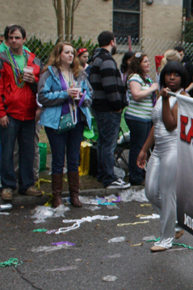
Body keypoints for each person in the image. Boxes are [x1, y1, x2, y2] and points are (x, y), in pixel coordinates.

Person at [137, 61, 189, 252]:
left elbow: (170, 125)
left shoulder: (181, 96)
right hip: (158, 150)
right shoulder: (162, 95)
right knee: (150, 191)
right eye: (169, 74)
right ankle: (175, 222)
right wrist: (144, 150)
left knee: (168, 194)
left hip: (173, 150)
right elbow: (156, 125)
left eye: (176, 74)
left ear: (183, 78)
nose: (172, 77)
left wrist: (166, 100)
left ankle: (166, 239)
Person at [37, 42, 93, 207]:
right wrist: (65, 94)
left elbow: (90, 97)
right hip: (56, 122)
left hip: (77, 120)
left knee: (74, 158)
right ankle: (57, 196)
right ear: (58, 54)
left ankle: (75, 195)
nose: (70, 55)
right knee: (58, 158)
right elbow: (42, 97)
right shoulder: (49, 73)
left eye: (72, 53)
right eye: (67, 52)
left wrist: (80, 97)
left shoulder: (80, 74)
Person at [0, 25, 43, 201]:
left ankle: (26, 185)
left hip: (29, 113)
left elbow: (42, 88)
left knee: (28, 150)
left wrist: (33, 81)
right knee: (7, 150)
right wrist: (0, 112)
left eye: (17, 37)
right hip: (9, 113)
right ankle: (7, 186)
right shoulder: (1, 59)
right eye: (11, 37)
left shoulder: (34, 61)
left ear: (24, 39)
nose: (14, 40)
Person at [88, 31, 130, 189]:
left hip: (99, 107)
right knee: (108, 144)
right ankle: (109, 178)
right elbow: (110, 86)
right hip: (108, 109)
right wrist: (117, 106)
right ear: (112, 42)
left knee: (102, 142)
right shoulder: (106, 60)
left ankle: (102, 174)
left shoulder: (95, 59)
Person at [125, 53, 158, 186]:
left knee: (144, 146)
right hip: (136, 117)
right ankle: (135, 176)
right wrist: (152, 89)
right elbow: (136, 95)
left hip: (146, 117)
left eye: (148, 61)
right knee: (137, 147)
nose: (148, 63)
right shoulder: (134, 77)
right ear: (138, 64)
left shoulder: (146, 78)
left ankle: (142, 171)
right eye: (145, 62)